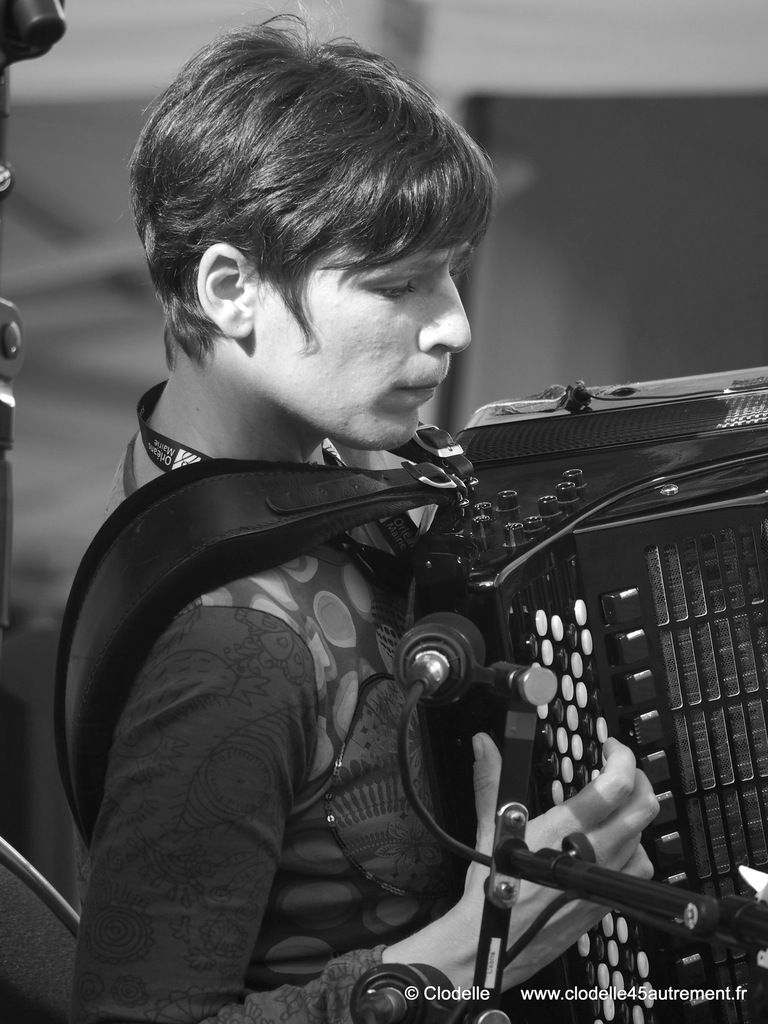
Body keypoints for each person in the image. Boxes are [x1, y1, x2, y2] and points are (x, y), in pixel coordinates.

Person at [69, 16, 659, 1024]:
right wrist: (485, 943)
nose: (453, 324)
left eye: (451, 271)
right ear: (231, 290)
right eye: (397, 285)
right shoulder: (228, 644)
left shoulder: (318, 477)